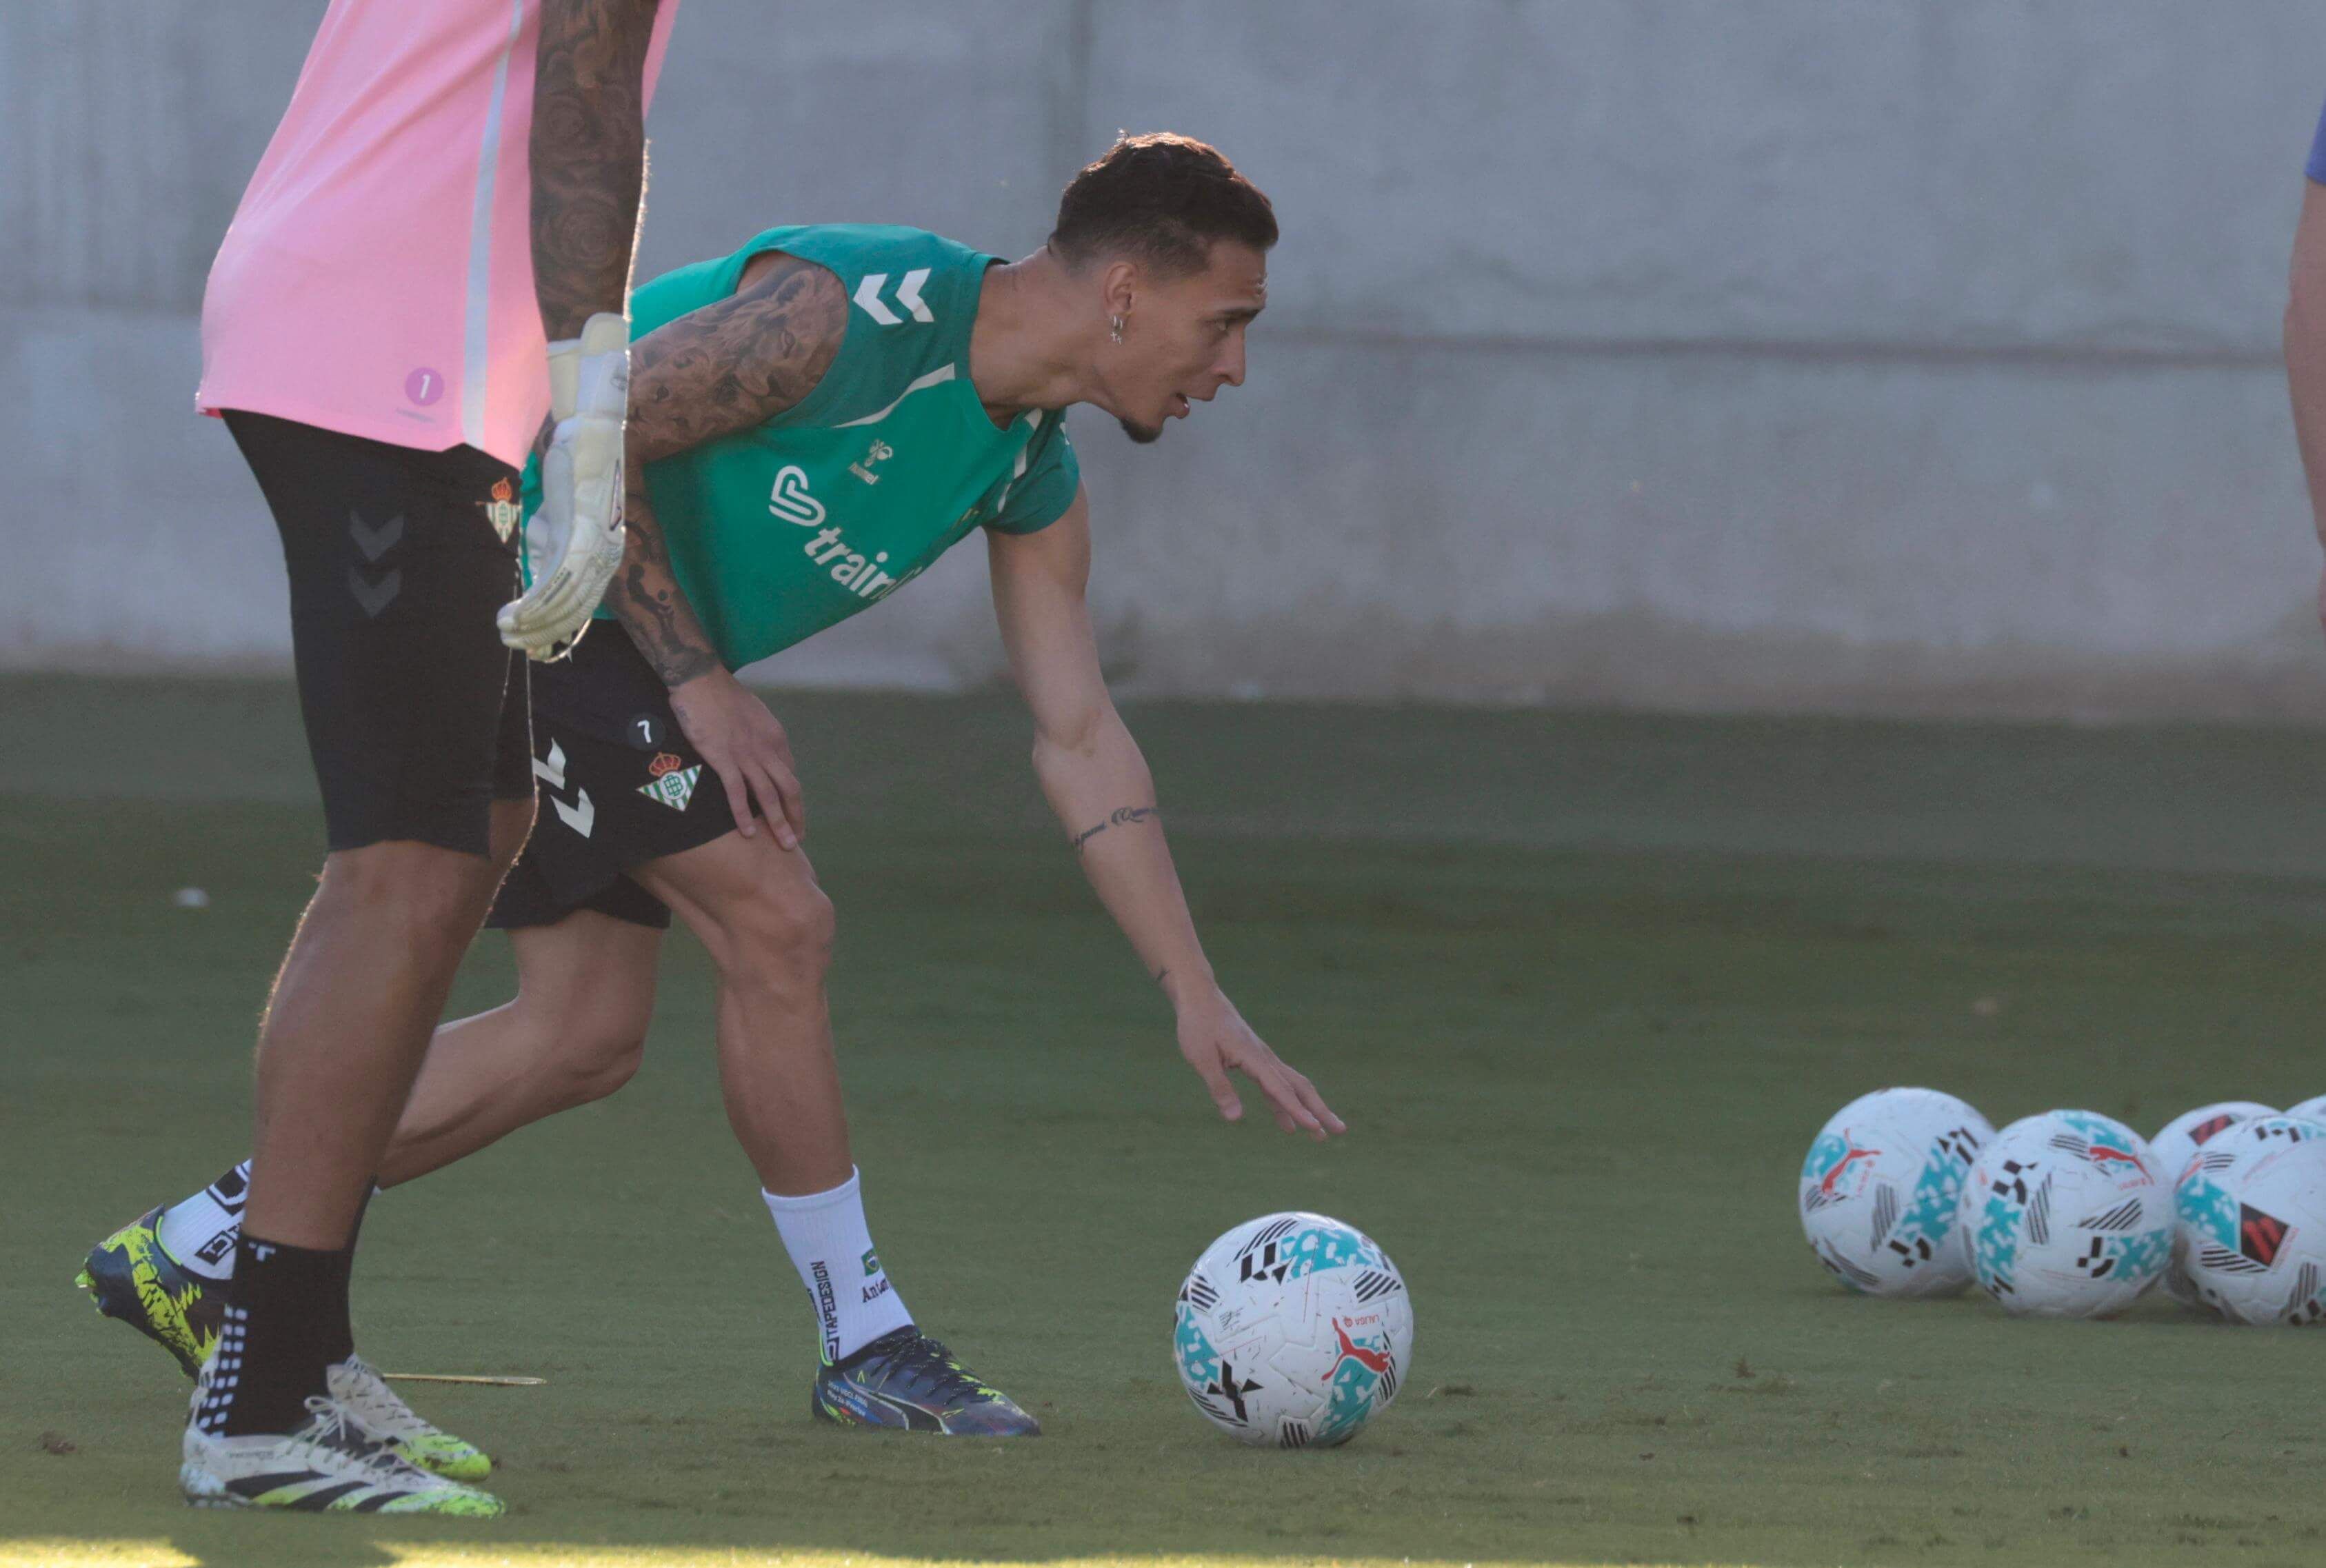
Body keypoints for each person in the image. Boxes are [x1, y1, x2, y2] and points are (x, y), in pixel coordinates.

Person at [83, 132, 1343, 1446]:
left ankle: (203, 1242)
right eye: (1227, 322)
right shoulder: (849, 316)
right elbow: (582, 425)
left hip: (597, 638)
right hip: (516, 570)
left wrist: (1193, 989)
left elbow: (1079, 734)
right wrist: (698, 680)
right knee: (778, 919)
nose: (1235, 365)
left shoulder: (1028, 471)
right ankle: (865, 1341)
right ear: (1128, 291)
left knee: (581, 1034)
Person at [86, 0, 677, 1516]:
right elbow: (586, 123)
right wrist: (595, 431)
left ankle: (291, 1331)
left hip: (388, 358)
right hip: (381, 362)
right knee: (404, 859)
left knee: (469, 826)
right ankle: (261, 1403)